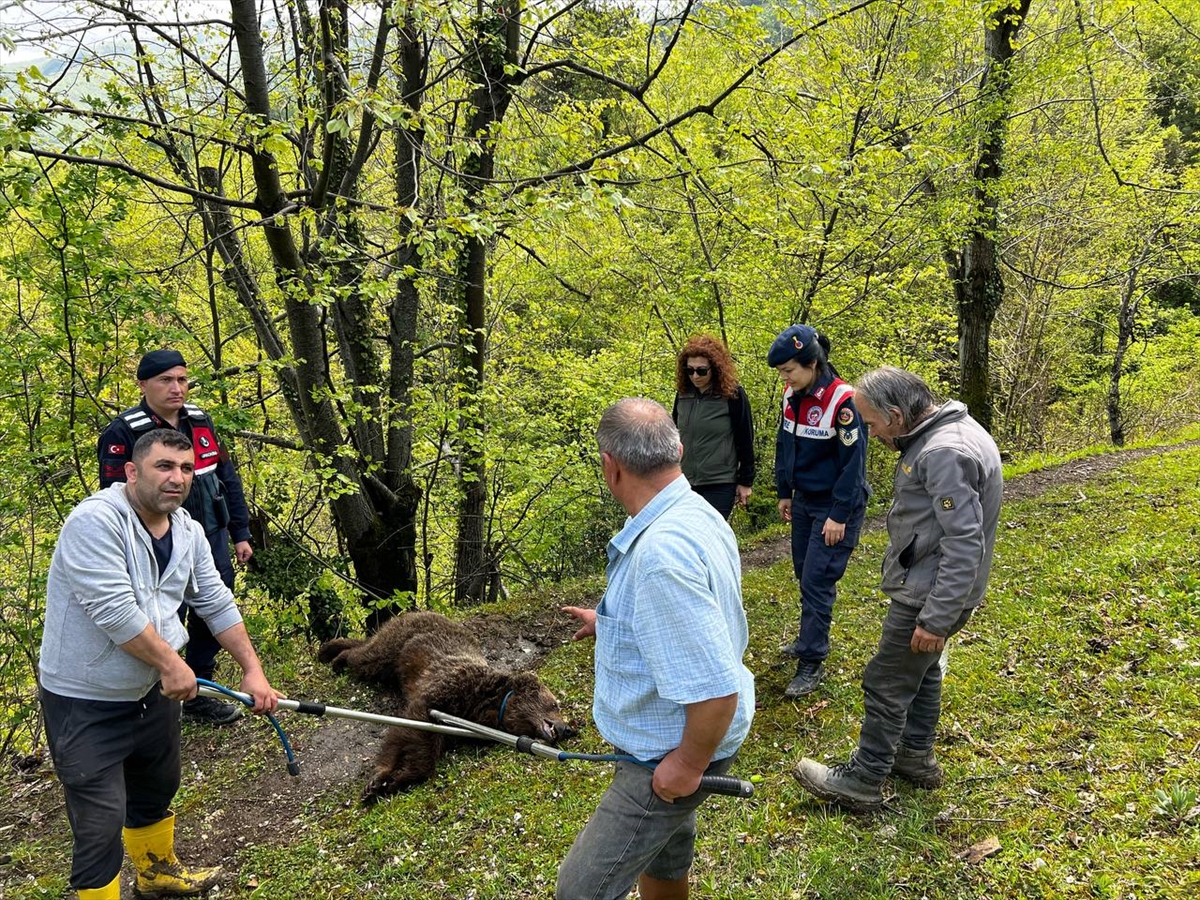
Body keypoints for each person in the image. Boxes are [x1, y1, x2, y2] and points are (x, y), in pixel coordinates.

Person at [39, 429, 282, 899]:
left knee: (157, 786)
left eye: (187, 469)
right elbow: (113, 609)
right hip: (85, 698)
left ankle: (155, 874)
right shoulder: (95, 522)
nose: (178, 478)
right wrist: (174, 664)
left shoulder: (187, 529)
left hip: (152, 693)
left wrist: (252, 668)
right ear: (132, 471)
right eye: (164, 467)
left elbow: (213, 598)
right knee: (100, 817)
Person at [558, 398, 755, 900]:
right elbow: (691, 618)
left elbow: (714, 691)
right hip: (675, 742)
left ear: (610, 466)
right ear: (679, 450)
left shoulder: (660, 555)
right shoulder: (697, 512)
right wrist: (613, 622)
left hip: (665, 752)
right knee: (664, 858)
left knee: (579, 891)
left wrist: (687, 765)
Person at [792, 367, 1002, 812]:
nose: (870, 433)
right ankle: (914, 756)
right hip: (932, 584)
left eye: (871, 424)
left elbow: (964, 542)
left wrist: (937, 617)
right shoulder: (946, 432)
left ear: (895, 414)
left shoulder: (943, 452)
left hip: (930, 591)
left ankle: (864, 778)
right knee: (921, 672)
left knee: (887, 679)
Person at [98, 349, 253, 725]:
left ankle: (200, 691)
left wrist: (241, 532)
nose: (176, 388)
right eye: (166, 380)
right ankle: (161, 696)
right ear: (143, 385)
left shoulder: (201, 421)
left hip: (209, 537)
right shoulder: (124, 431)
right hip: (155, 545)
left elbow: (227, 478)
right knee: (162, 615)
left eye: (182, 379)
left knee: (212, 610)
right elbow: (115, 497)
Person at [768, 324, 868, 697]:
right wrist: (784, 491)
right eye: (782, 372)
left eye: (790, 370)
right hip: (805, 500)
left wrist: (839, 515)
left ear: (812, 363)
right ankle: (808, 639)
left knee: (817, 579)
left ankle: (811, 660)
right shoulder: (791, 394)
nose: (785, 378)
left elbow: (854, 467)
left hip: (834, 504)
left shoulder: (843, 403)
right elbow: (786, 444)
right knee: (803, 572)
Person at [670, 334, 756, 519]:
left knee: (709, 535)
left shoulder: (732, 395)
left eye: (701, 371)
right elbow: (673, 434)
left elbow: (745, 438)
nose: (695, 376)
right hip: (684, 482)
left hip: (720, 482)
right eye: (689, 370)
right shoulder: (683, 395)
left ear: (715, 368)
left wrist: (745, 481)